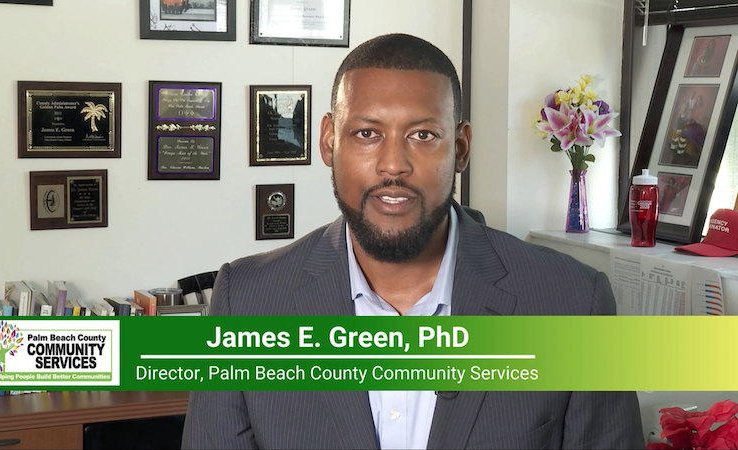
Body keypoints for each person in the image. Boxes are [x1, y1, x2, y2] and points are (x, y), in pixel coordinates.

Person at [182, 34, 643, 449]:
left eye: (423, 135)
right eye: (367, 134)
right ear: (328, 141)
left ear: (460, 148)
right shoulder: (246, 301)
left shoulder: (573, 303)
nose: (393, 165)